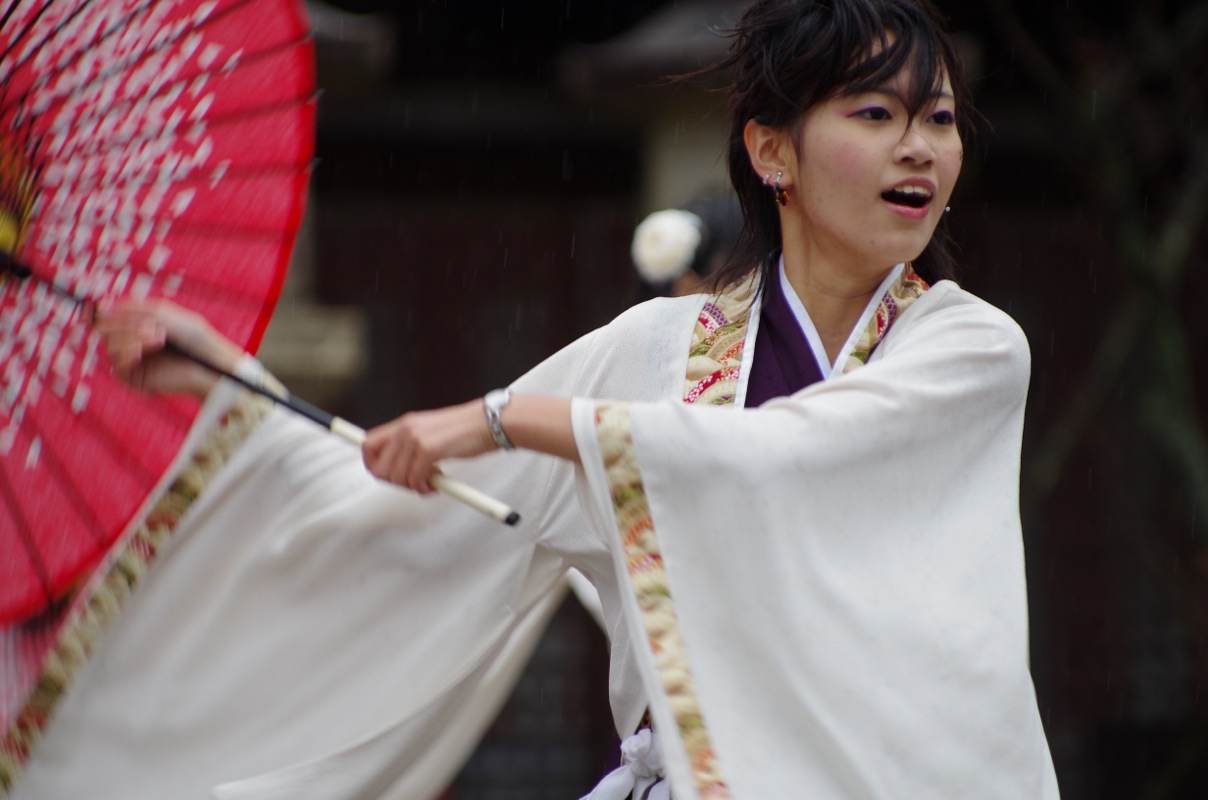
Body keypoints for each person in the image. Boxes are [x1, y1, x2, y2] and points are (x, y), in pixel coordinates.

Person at [16, 0, 1059, 797]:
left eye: (936, 118)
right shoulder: (655, 349)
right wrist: (219, 379)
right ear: (770, 149)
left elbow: (780, 457)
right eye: (873, 114)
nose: (918, 146)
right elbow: (406, 504)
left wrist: (503, 413)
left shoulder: (968, 349)